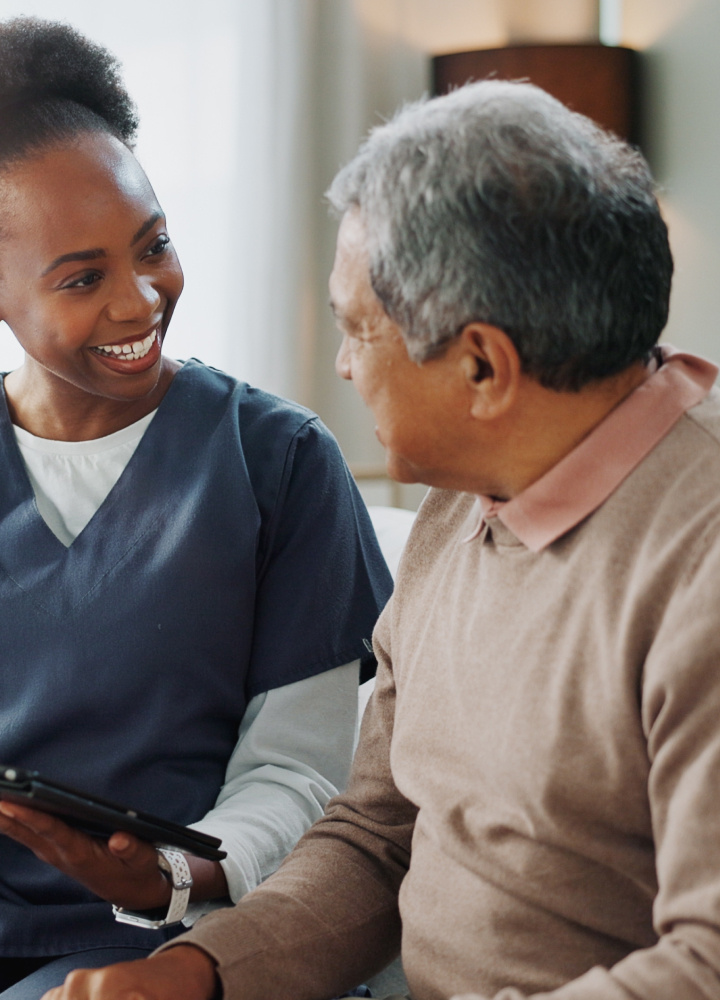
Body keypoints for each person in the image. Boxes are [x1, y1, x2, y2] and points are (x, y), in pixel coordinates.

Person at [41, 80, 720, 1000]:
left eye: (359, 330)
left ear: (482, 366)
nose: (343, 365)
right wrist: (198, 973)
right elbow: (376, 836)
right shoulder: (468, 498)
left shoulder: (698, 565)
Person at [0, 18, 392, 1000]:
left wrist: (169, 871)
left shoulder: (279, 463)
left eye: (154, 247)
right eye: (82, 277)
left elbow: (304, 776)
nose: (141, 300)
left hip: (159, 920)